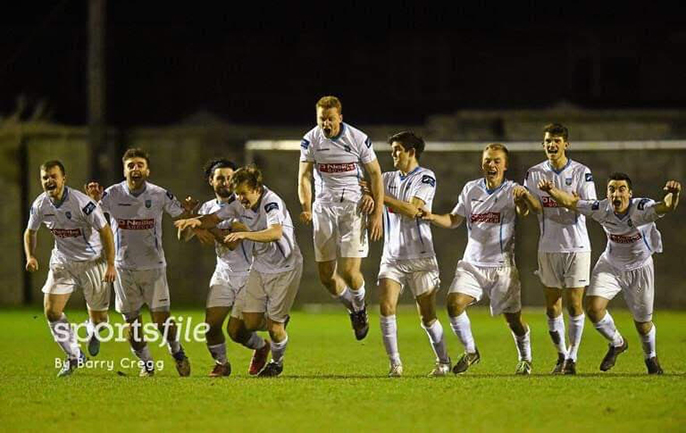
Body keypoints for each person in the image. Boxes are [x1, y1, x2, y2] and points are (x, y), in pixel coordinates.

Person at [538, 173, 680, 375]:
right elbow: (572, 202)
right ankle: (617, 342)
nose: (616, 193)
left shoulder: (642, 209)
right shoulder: (602, 208)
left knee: (643, 324)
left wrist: (674, 195)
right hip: (611, 264)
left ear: (630, 194)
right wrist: (550, 190)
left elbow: (666, 206)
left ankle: (651, 358)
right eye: (612, 189)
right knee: (593, 308)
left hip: (639, 268)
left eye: (621, 189)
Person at [175, 165, 302, 377]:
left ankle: (276, 362)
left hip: (285, 267)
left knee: (271, 328)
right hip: (259, 266)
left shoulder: (271, 202)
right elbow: (213, 219)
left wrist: (245, 235)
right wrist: (194, 220)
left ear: (257, 188)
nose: (240, 198)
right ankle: (259, 337)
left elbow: (275, 232)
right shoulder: (237, 204)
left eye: (243, 193)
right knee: (249, 323)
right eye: (237, 194)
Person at [423, 144, 534, 375]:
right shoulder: (471, 189)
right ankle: (471, 351)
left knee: (513, 320)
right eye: (487, 161)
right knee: (454, 304)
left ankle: (526, 358)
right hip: (472, 264)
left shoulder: (512, 189)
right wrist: (432, 216)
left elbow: (527, 210)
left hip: (501, 267)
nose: (491, 165)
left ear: (505, 165)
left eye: (496, 161)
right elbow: (454, 219)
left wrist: (525, 198)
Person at [85, 148, 193, 377]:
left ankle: (177, 352)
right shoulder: (112, 194)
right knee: (132, 325)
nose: (136, 168)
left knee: (162, 321)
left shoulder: (159, 194)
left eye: (140, 165)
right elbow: (91, 218)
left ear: (147, 170)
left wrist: (189, 215)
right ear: (124, 170)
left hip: (154, 268)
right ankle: (147, 364)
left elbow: (181, 216)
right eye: (131, 165)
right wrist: (93, 202)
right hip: (124, 269)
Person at [297, 96, 384, 340]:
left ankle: (359, 307)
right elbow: (303, 176)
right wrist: (306, 205)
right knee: (326, 277)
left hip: (352, 209)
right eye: (321, 119)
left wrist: (377, 214)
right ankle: (356, 309)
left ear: (340, 118)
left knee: (349, 272)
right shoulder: (310, 140)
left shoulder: (357, 138)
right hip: (323, 208)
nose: (326, 124)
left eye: (330, 119)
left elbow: (375, 173)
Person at [24, 160, 116, 377]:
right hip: (62, 262)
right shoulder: (40, 205)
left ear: (63, 179)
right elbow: (30, 232)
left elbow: (105, 231)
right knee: (51, 311)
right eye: (45, 177)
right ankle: (74, 355)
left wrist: (110, 264)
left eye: (53, 176)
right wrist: (30, 256)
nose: (49, 181)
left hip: (92, 262)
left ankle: (93, 329)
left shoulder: (82, 203)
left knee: (100, 320)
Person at [519, 123, 596, 374]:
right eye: (547, 141)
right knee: (552, 306)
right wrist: (522, 198)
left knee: (574, 304)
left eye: (556, 141)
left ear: (566, 144)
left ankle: (573, 358)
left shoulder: (582, 172)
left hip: (577, 246)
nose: (551, 145)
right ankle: (562, 355)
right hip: (548, 246)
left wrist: (555, 192)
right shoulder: (534, 173)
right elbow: (533, 208)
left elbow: (587, 206)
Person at [371, 131, 451, 377]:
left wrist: (380, 196)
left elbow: (413, 210)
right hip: (392, 257)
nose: (393, 154)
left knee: (427, 316)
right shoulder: (385, 177)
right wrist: (368, 199)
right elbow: (373, 200)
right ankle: (395, 364)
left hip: (421, 257)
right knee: (385, 307)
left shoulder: (426, 177)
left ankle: (443, 361)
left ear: (411, 152)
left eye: (397, 149)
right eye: (392, 149)